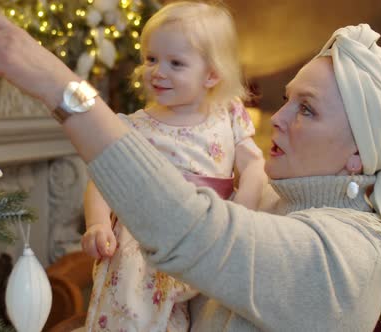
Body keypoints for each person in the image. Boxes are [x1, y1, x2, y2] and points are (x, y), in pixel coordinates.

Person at [0, 0, 381, 330]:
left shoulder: (346, 259)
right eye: (287, 101)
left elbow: (190, 227)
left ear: (360, 152)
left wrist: (54, 82)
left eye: (307, 109)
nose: (277, 118)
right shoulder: (278, 199)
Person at [80, 2, 266, 330]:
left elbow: (254, 165)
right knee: (133, 305)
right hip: (146, 239)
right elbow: (103, 179)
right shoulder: (134, 126)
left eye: (175, 63)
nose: (157, 71)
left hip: (205, 231)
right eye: (151, 59)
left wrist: (242, 213)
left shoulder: (228, 113)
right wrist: (98, 224)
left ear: (212, 74)